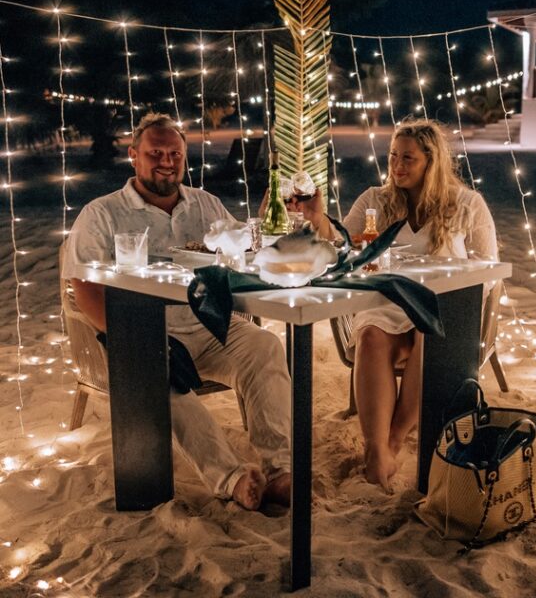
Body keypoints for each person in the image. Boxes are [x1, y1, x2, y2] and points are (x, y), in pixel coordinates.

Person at [63, 113, 291, 510]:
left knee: (265, 345)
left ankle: (281, 470)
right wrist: (133, 340)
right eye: (155, 153)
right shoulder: (101, 214)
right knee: (156, 373)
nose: (167, 162)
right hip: (143, 331)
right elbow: (84, 289)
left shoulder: (206, 204)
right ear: (134, 156)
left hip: (210, 325)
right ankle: (233, 479)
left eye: (175, 154)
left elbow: (243, 255)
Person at [291, 118, 498, 491]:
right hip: (386, 302)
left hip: (440, 307)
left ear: (431, 163)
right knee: (370, 335)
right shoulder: (375, 200)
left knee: (428, 333)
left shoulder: (467, 204)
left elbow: (490, 269)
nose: (397, 166)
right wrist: (317, 218)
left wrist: (467, 312)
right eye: (392, 157)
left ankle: (394, 439)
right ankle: (375, 449)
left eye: (408, 158)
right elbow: (340, 245)